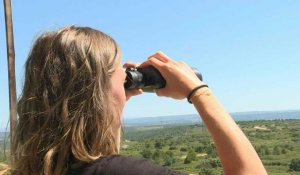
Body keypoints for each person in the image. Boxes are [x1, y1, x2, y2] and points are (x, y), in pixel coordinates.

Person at [14, 26, 267, 175]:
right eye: (118, 72)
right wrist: (199, 91)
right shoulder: (119, 172)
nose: (126, 77)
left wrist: (113, 105)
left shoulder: (32, 169)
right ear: (97, 89)